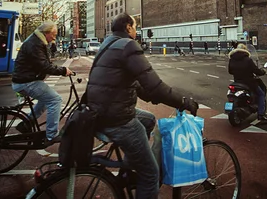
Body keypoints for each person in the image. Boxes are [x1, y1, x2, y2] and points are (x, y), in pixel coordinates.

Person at [85, 13, 199, 199]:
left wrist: (153, 97)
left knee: (149, 120)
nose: (136, 31)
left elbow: (136, 83)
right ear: (128, 27)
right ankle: (140, 171)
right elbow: (155, 85)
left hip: (100, 111)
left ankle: (129, 168)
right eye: (135, 26)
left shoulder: (108, 44)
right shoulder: (128, 45)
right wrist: (183, 102)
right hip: (117, 118)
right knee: (150, 174)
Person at [11, 21, 73, 145]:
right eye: (53, 34)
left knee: (46, 100)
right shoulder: (35, 44)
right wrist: (63, 70)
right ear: (46, 33)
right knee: (55, 100)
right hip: (26, 82)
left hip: (25, 80)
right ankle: (52, 135)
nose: (54, 37)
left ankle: (26, 123)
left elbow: (43, 63)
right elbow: (44, 66)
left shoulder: (36, 41)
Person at [228, 43, 267, 121]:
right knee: (261, 94)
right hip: (249, 82)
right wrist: (263, 71)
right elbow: (256, 70)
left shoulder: (231, 59)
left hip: (237, 82)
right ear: (245, 50)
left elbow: (230, 71)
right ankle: (261, 115)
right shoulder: (247, 59)